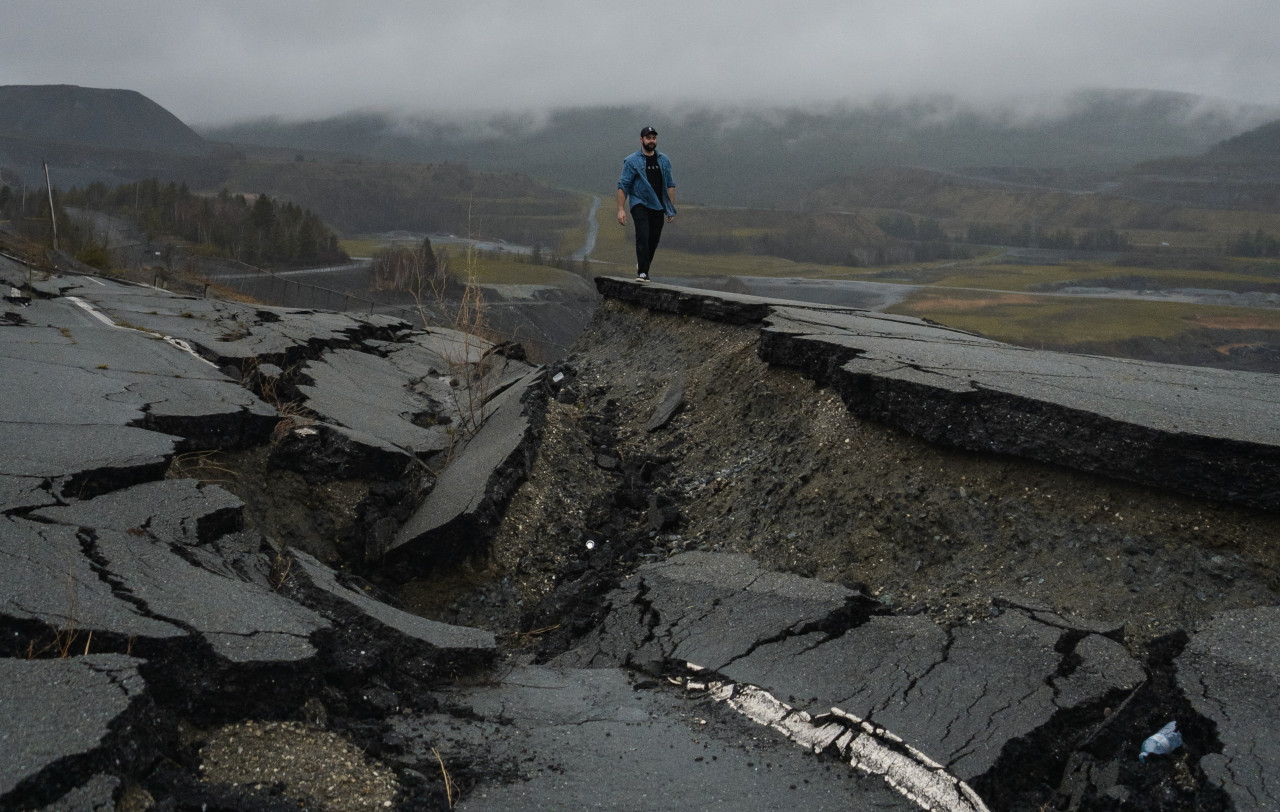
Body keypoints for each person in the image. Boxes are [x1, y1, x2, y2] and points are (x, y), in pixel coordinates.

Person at [617, 126, 676, 281]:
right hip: (639, 203)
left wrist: (670, 208)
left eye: (654, 138)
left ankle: (643, 264)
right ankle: (643, 273)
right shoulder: (631, 161)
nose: (652, 141)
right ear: (641, 139)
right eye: (648, 138)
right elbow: (623, 185)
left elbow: (670, 184)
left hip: (658, 205)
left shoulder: (664, 160)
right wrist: (621, 209)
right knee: (643, 235)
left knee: (653, 239)